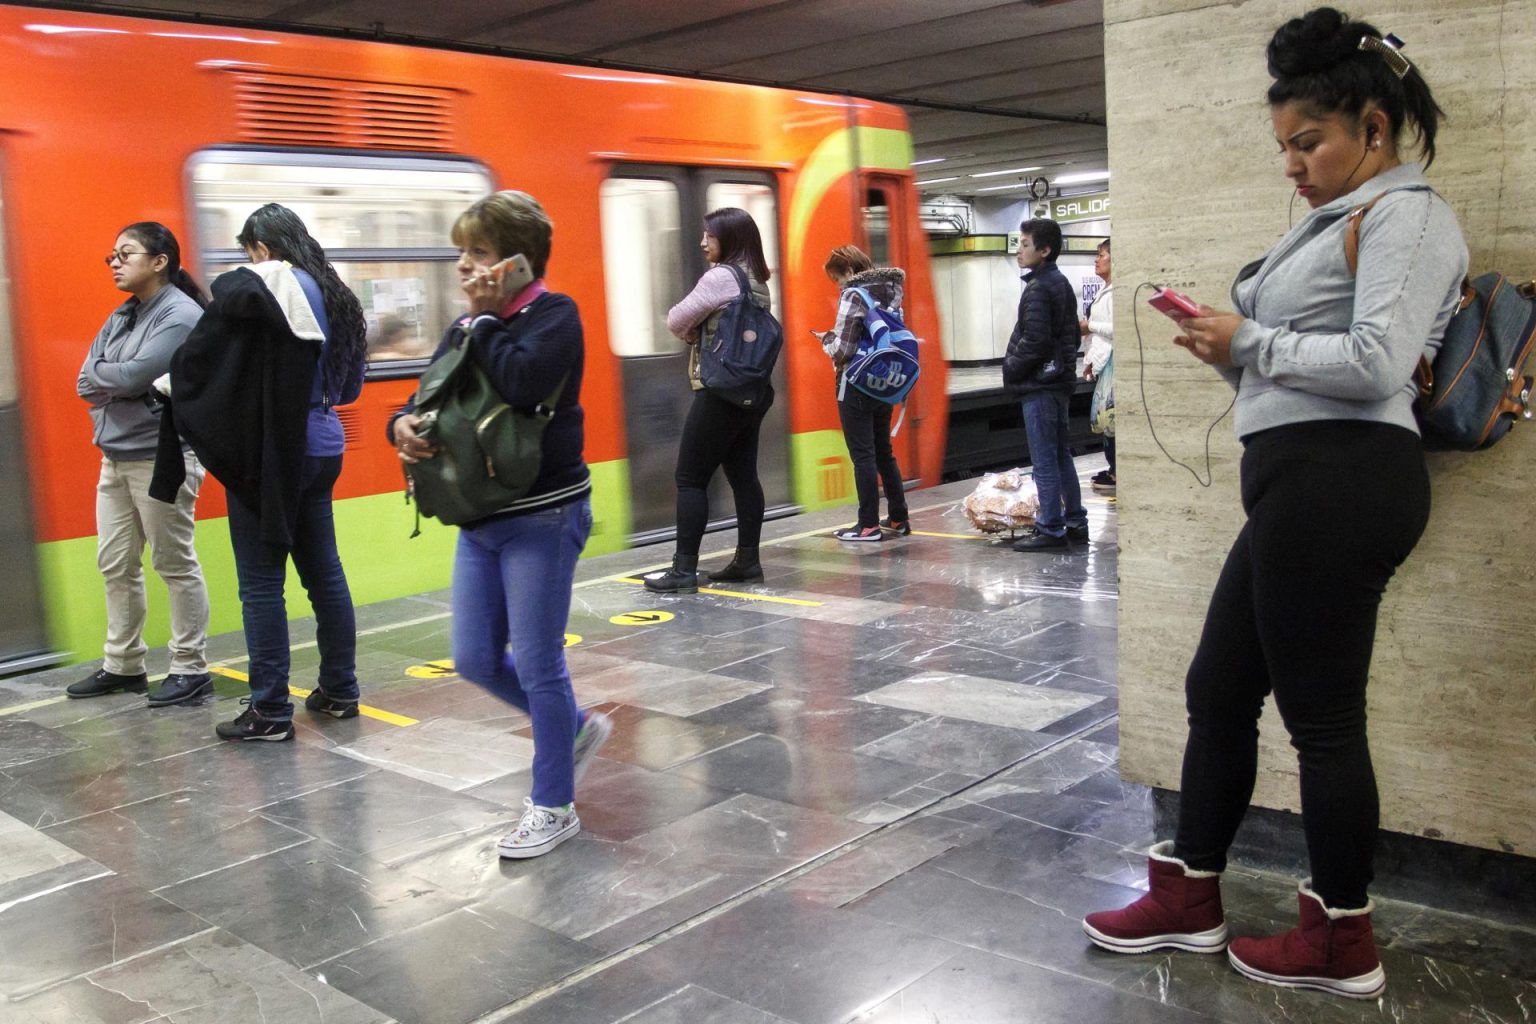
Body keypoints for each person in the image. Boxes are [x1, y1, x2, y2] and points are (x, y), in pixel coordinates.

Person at [1082, 8, 1466, 1001]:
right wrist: (1229, 350)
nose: (1292, 164)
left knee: (1323, 718)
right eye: (1284, 146)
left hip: (1346, 482)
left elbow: (1379, 362)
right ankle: (1190, 894)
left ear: (1373, 129)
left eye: (1310, 142)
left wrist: (1248, 340)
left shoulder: (1407, 216)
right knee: (1217, 688)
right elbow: (1293, 373)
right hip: (1300, 481)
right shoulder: (1327, 222)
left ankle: (1343, 940)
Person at [390, 190, 610, 859]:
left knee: (541, 664)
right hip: (481, 515)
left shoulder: (554, 316)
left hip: (545, 514)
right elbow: (427, 392)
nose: (465, 267)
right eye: (462, 252)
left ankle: (553, 806)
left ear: (517, 262)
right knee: (475, 658)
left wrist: (484, 323)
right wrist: (399, 425)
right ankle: (573, 729)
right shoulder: (465, 327)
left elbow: (522, 385)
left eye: (479, 253)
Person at [153, 204, 367, 742]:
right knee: (325, 575)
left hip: (271, 456)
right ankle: (340, 691)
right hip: (324, 446)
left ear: (262, 251)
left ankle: (270, 710)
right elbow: (348, 390)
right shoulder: (338, 297)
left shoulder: (266, 290)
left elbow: (222, 369)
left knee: (262, 586)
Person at [70, 223, 211, 707]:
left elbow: (132, 376)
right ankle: (124, 665)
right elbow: (85, 381)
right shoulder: (124, 314)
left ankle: (190, 668)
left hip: (163, 456)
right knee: (114, 562)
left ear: (160, 261)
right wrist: (113, 377)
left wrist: (111, 376)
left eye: (125, 253)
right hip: (115, 456)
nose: (114, 261)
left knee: (173, 562)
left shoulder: (180, 314)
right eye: (111, 255)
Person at [643, 207, 774, 592]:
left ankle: (683, 569)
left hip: (719, 391)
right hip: (751, 391)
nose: (703, 242)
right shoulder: (757, 281)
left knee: (689, 478)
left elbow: (676, 319)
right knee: (744, 477)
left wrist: (691, 332)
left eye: (710, 236)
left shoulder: (721, 277)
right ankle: (747, 560)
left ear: (729, 239)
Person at [1002, 217, 1088, 552]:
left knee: (1045, 460)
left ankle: (1051, 527)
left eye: (1025, 245)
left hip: (1041, 384)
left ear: (1045, 249)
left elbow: (1035, 341)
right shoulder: (1058, 282)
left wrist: (1011, 367)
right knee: (1060, 455)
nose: (1019, 251)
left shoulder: (1039, 287)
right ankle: (1075, 521)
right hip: (1058, 381)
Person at [817, 244, 910, 542]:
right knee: (884, 451)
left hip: (855, 384)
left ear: (847, 271)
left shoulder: (853, 295)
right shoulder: (891, 293)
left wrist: (826, 342)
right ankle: (898, 517)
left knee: (863, 456)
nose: (838, 286)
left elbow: (843, 349)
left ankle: (867, 525)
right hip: (884, 383)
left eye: (836, 279)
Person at [1081, 239, 1115, 493]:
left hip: (1114, 365)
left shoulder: (1115, 293)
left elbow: (1116, 330)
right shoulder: (1105, 291)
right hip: (1103, 363)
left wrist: (1089, 326)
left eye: (1101, 255)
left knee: (1111, 421)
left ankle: (1117, 471)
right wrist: (1089, 361)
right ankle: (1114, 468)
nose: (1097, 259)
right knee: (1106, 422)